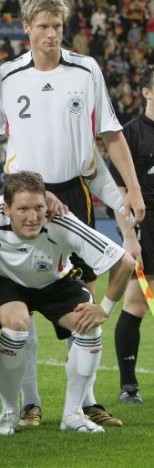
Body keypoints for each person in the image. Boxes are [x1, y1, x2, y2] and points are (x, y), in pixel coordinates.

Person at [0, 0, 144, 427]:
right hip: (24, 197)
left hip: (74, 193)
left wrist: (130, 189)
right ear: (26, 28)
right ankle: (31, 402)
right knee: (26, 293)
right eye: (42, 26)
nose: (51, 33)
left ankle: (86, 400)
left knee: (84, 297)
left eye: (57, 26)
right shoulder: (10, 75)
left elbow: (110, 134)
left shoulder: (86, 68)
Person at [0, 171, 135, 435]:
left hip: (56, 282)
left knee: (89, 327)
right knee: (15, 325)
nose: (33, 217)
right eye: (23, 209)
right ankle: (10, 413)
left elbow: (124, 261)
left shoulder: (63, 222)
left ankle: (73, 413)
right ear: (6, 208)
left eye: (38, 208)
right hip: (7, 281)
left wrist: (104, 309)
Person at [110, 65, 154, 405]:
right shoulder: (132, 135)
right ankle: (128, 386)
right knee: (137, 303)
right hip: (147, 228)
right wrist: (130, 237)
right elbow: (120, 194)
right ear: (146, 92)